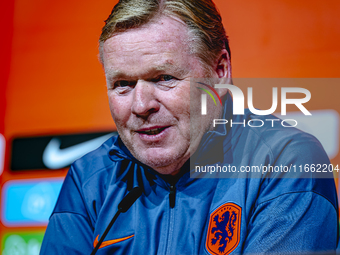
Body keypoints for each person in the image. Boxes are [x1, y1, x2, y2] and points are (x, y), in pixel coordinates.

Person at [40, 0, 338, 254]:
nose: (141, 105)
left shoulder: (286, 162)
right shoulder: (89, 180)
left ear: (219, 72)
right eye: (123, 84)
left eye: (164, 77)